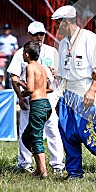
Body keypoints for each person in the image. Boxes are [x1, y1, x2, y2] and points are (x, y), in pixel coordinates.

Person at [52, 5, 96, 180]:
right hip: (66, 94)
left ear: (66, 22)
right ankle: (74, 171)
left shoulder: (90, 38)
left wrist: (92, 91)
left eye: (58, 23)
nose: (56, 27)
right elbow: (62, 72)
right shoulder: (63, 43)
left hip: (84, 92)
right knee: (66, 132)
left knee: (85, 132)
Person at [7, 21, 65, 174]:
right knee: (26, 130)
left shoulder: (52, 51)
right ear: (29, 35)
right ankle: (25, 164)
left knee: (52, 129)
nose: (39, 37)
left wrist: (56, 74)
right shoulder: (21, 52)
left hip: (48, 96)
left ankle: (57, 165)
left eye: (42, 34)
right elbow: (14, 76)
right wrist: (20, 97)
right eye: (35, 34)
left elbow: (60, 76)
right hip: (29, 99)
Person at [17, 41, 54, 178]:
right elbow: (50, 88)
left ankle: (42, 171)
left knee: (36, 138)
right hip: (46, 104)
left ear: (27, 55)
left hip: (37, 105)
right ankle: (39, 168)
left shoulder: (30, 67)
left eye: (23, 53)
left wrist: (19, 82)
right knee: (27, 137)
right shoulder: (42, 68)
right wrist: (28, 92)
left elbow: (31, 88)